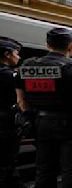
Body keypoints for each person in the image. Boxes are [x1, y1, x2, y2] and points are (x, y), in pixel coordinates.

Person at [16, 28, 72, 188]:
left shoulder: (28, 66)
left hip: (41, 124)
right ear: (71, 46)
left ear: (47, 45)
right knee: (71, 171)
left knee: (44, 170)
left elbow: (21, 100)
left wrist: (32, 118)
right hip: (70, 125)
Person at [0, 37, 26, 188]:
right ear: (7, 54)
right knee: (6, 163)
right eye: (16, 53)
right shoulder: (10, 76)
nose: (19, 56)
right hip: (6, 126)